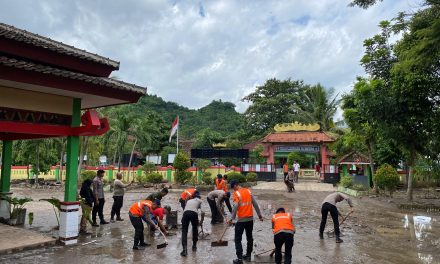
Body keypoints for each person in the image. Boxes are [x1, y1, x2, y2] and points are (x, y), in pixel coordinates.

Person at [228, 180, 263, 264]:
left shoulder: (236, 193)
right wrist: (259, 215)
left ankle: (239, 259)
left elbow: (235, 206)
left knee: (237, 239)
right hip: (250, 219)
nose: (233, 190)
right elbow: (255, 204)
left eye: (233, 188)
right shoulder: (248, 191)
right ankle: (248, 256)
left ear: (236, 185)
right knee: (249, 238)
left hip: (241, 220)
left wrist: (231, 218)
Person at [180, 191, 204, 257]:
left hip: (185, 213)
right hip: (194, 214)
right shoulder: (200, 201)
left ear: (193, 196)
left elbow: (187, 209)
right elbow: (203, 212)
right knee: (195, 229)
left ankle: (184, 250)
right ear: (199, 196)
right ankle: (194, 246)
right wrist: (201, 221)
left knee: (184, 231)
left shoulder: (189, 201)